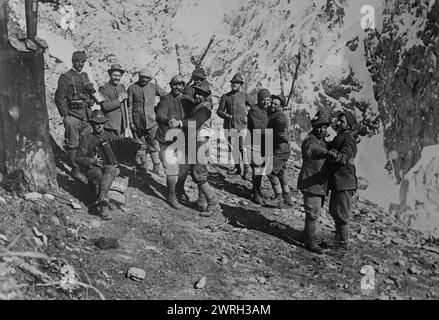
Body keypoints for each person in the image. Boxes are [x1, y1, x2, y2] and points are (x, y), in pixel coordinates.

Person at [176, 80, 220, 216]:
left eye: (202, 94)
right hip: (195, 141)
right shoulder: (197, 106)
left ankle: (214, 205)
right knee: (196, 171)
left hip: (201, 142)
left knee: (198, 173)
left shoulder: (205, 109)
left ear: (206, 96)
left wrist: (179, 123)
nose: (198, 96)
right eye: (197, 93)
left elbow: (194, 123)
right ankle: (202, 203)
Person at [54, 50, 94, 181]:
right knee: (73, 143)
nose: (80, 64)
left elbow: (90, 92)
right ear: (73, 61)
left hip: (86, 115)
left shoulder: (85, 76)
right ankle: (75, 169)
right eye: (77, 61)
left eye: (82, 62)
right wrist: (65, 116)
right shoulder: (65, 77)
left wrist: (91, 99)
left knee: (86, 142)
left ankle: (85, 166)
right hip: (73, 115)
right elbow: (59, 98)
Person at [297, 110, 332, 254]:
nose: (321, 129)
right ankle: (310, 241)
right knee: (312, 213)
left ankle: (306, 234)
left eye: (324, 127)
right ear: (314, 126)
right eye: (318, 126)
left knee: (314, 211)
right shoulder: (310, 140)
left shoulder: (322, 140)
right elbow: (311, 150)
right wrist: (326, 153)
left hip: (318, 183)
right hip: (310, 182)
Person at [76, 110, 119, 220]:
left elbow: (120, 153)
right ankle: (103, 206)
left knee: (111, 170)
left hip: (107, 165)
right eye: (97, 124)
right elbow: (78, 158)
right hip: (92, 167)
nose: (100, 127)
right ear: (92, 125)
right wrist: (92, 161)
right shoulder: (86, 138)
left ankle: (101, 198)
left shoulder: (110, 136)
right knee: (98, 174)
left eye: (102, 124)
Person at [327, 110, 358, 252]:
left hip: (345, 182)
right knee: (335, 211)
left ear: (349, 126)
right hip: (338, 182)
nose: (338, 123)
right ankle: (337, 240)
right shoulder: (340, 136)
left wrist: (338, 156)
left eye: (342, 122)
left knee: (342, 215)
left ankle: (343, 245)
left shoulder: (349, 140)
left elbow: (345, 155)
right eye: (338, 120)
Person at [128, 68, 167, 176]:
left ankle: (156, 166)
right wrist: (131, 122)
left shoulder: (153, 87)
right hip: (137, 123)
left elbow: (166, 96)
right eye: (142, 77)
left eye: (146, 78)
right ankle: (143, 167)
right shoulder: (132, 88)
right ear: (139, 77)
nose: (144, 79)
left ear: (150, 79)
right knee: (141, 146)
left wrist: (159, 109)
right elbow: (130, 107)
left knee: (154, 145)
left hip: (152, 122)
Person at [155, 75, 186, 209]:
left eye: (179, 85)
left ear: (183, 86)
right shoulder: (166, 99)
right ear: (170, 86)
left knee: (183, 168)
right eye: (174, 85)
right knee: (171, 169)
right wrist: (168, 121)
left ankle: (179, 190)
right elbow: (160, 115)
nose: (177, 87)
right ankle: (171, 195)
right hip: (166, 139)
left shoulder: (185, 100)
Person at [217, 73, 253, 178]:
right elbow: (219, 111)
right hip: (230, 126)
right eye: (233, 83)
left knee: (243, 148)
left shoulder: (245, 96)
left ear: (241, 84)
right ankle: (238, 168)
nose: (234, 84)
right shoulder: (226, 97)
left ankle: (246, 169)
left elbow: (254, 108)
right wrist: (227, 116)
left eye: (236, 83)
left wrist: (248, 116)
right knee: (233, 148)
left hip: (242, 126)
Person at [265, 93, 293, 207]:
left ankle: (279, 198)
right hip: (283, 149)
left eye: (275, 104)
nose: (272, 104)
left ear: (280, 106)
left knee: (270, 171)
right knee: (281, 172)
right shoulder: (276, 114)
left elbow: (281, 132)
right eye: (272, 102)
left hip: (280, 149)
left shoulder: (279, 116)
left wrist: (279, 137)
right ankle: (287, 197)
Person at [247, 88, 271, 205]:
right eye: (264, 100)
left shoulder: (268, 110)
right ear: (259, 100)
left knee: (261, 167)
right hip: (254, 143)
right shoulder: (254, 111)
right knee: (257, 168)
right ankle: (256, 193)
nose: (266, 102)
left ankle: (256, 189)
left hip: (265, 143)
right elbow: (257, 128)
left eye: (268, 100)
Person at [98, 63, 128, 136]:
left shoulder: (122, 87)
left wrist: (127, 96)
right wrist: (119, 100)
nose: (116, 78)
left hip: (122, 124)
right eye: (114, 75)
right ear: (110, 75)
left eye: (119, 76)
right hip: (110, 125)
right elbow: (106, 106)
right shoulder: (104, 89)